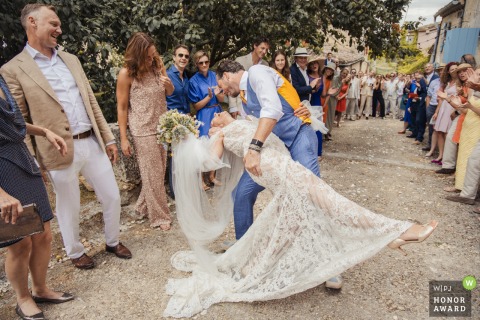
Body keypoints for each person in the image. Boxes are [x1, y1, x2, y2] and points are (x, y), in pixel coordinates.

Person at [163, 110, 438, 318]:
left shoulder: (241, 119)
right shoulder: (219, 134)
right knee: (329, 201)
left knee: (296, 217)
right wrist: (185, 140)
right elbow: (209, 161)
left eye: (220, 111)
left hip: (281, 164)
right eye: (215, 115)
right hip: (273, 169)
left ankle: (390, 236)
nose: (219, 113)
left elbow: (270, 124)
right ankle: (397, 231)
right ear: (213, 124)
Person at [0, 3, 131, 270]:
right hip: (55, 151)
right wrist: (33, 160)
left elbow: (91, 101)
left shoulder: (71, 59)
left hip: (91, 142)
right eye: (54, 24)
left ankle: (112, 240)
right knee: (68, 206)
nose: (59, 29)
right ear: (33, 23)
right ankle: (74, 252)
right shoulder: (13, 69)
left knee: (112, 194)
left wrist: (108, 138)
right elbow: (18, 121)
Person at [0, 75, 73, 320]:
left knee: (43, 234)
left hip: (21, 159)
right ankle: (22, 299)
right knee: (20, 243)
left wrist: (44, 131)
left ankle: (40, 289)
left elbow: (14, 125)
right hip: (1, 170)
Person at [116, 32, 174, 230]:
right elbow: (122, 107)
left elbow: (170, 93)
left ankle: (141, 207)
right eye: (147, 57)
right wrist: (124, 138)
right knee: (153, 173)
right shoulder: (126, 74)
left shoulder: (158, 66)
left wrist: (169, 85)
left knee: (158, 172)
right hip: (142, 129)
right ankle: (160, 217)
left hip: (162, 126)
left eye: (153, 55)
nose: (151, 59)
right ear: (137, 55)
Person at [188, 50, 224, 189]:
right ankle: (202, 179)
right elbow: (196, 106)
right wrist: (209, 96)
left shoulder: (215, 76)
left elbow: (221, 98)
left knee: (217, 142)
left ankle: (212, 176)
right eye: (201, 62)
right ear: (197, 64)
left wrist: (218, 94)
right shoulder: (193, 81)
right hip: (204, 113)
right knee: (204, 144)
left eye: (206, 62)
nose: (204, 64)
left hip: (217, 111)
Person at [165, 44, 191, 199]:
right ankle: (175, 191)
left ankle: (184, 188)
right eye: (180, 55)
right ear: (174, 57)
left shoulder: (185, 77)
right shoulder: (168, 75)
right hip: (172, 120)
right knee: (174, 156)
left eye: (186, 56)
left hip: (185, 119)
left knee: (184, 155)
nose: (183, 58)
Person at [228, 37, 269, 118]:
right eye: (262, 48)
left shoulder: (266, 65)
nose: (264, 52)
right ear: (255, 46)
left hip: (258, 108)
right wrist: (233, 107)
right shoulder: (240, 60)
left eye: (266, 49)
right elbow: (231, 83)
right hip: (240, 105)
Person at [426, 62, 458, 163]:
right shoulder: (447, 82)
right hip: (443, 107)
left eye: (455, 69)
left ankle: (447, 158)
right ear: (448, 71)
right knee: (439, 132)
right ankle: (440, 155)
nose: (454, 71)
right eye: (451, 69)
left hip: (452, 108)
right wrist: (437, 111)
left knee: (447, 133)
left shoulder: (460, 82)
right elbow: (440, 98)